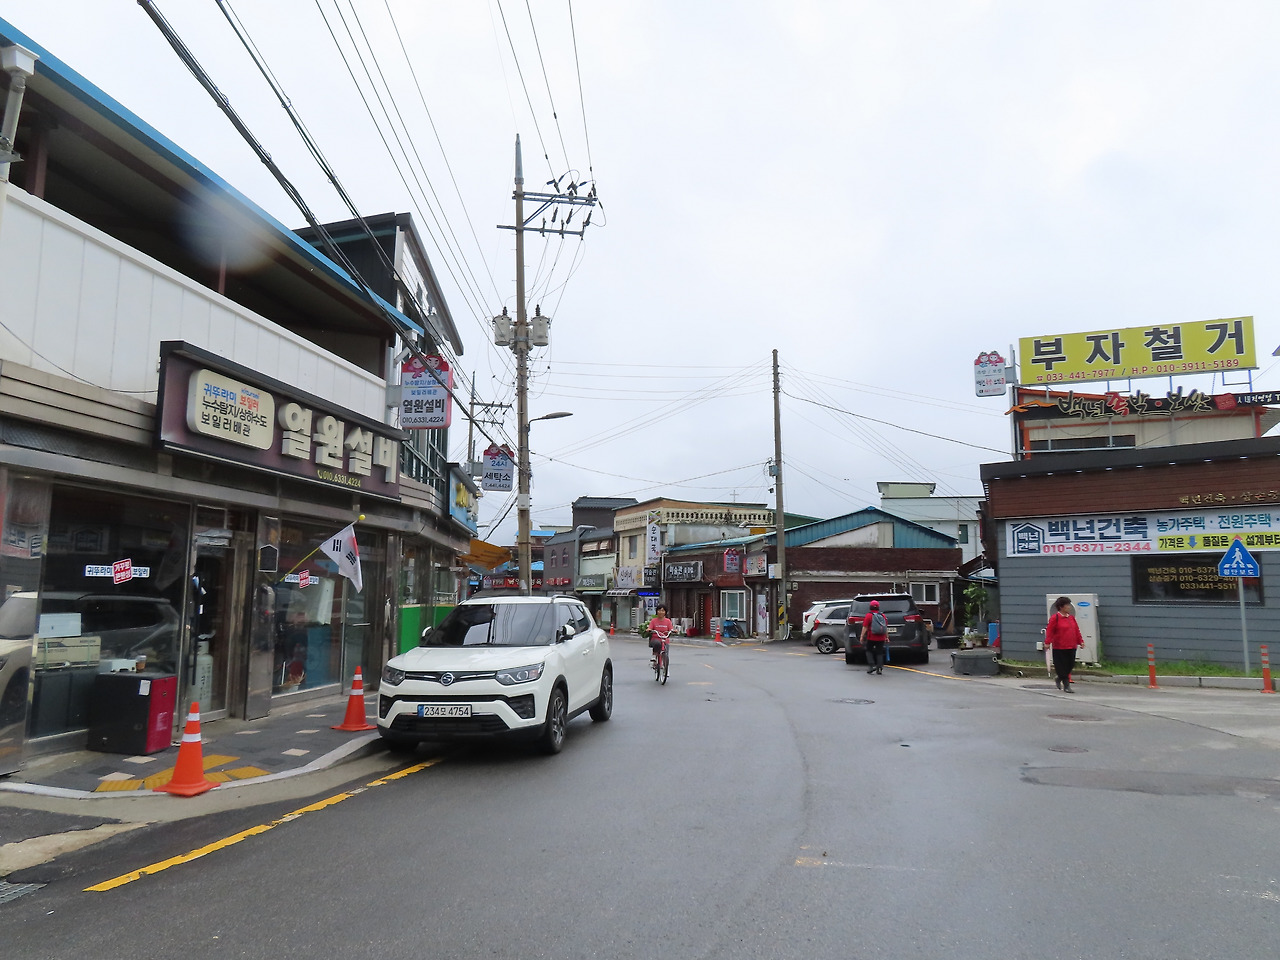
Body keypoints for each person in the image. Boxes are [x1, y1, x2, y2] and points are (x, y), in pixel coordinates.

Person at [1045, 596, 1085, 692]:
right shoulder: (1055, 618)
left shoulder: (1071, 618)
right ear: (1061, 607)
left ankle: (1059, 678)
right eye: (1067, 605)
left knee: (1070, 665)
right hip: (1060, 646)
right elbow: (1050, 631)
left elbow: (1076, 630)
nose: (1069, 607)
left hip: (1071, 646)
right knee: (1061, 666)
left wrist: (1080, 641)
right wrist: (1047, 642)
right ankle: (1066, 686)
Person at [860, 599, 888, 675]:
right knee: (879, 652)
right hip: (881, 637)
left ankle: (871, 665)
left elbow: (865, 627)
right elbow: (885, 627)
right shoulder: (882, 615)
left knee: (869, 650)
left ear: (870, 607)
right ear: (878, 607)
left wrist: (862, 636)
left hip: (871, 637)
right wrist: (886, 637)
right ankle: (879, 668)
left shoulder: (869, 615)